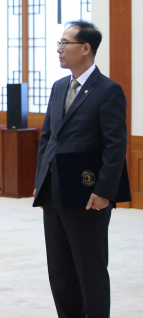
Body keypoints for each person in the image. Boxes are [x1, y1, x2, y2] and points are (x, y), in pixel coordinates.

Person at [33, 21, 127, 318]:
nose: (58, 49)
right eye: (59, 43)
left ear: (86, 48)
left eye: (65, 43)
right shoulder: (59, 86)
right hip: (54, 189)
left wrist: (104, 191)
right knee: (60, 269)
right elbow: (48, 136)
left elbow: (115, 147)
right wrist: (40, 179)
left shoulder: (108, 90)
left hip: (88, 194)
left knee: (89, 267)